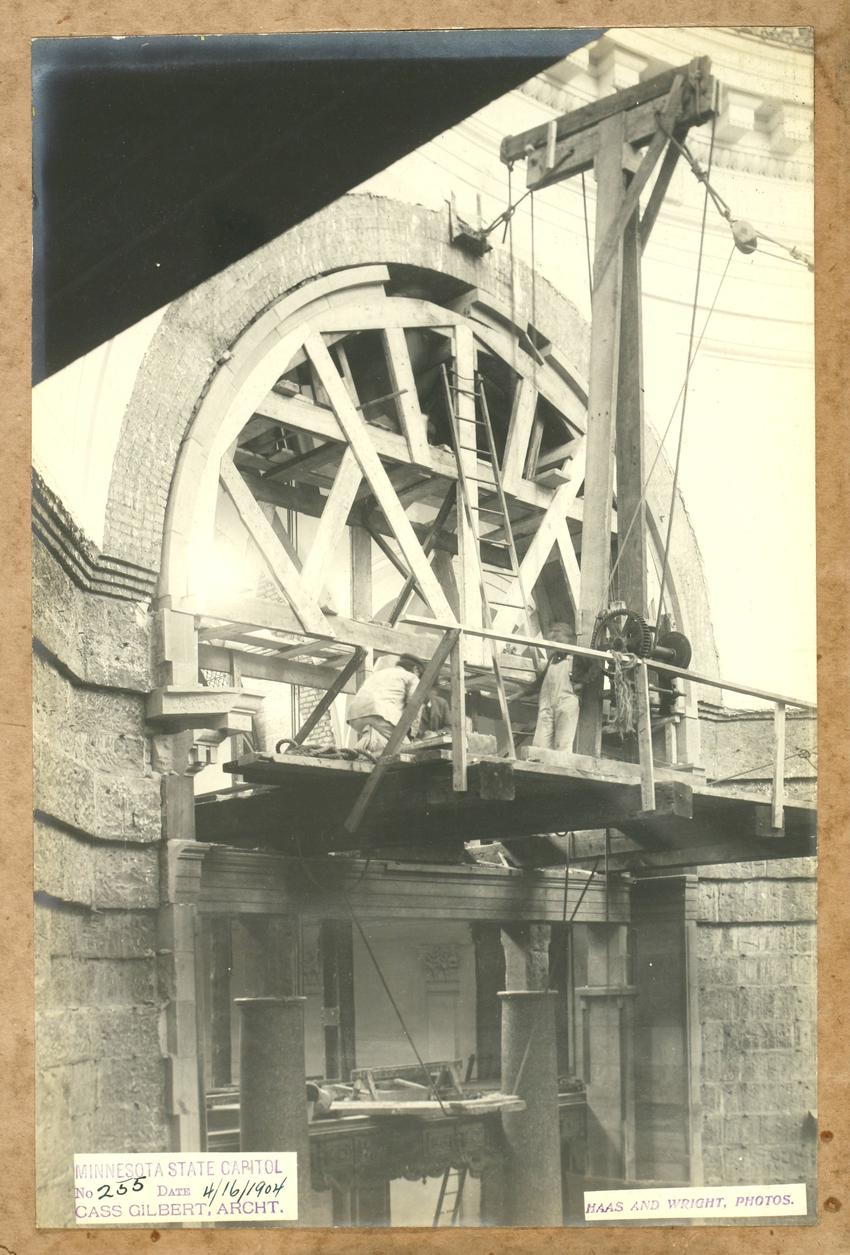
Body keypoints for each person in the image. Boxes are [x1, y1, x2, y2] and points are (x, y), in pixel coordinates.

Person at [346, 653, 424, 753]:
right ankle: (368, 743)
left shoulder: (380, 673)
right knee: (407, 751)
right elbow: (415, 704)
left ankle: (366, 744)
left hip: (354, 716)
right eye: (420, 675)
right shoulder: (412, 677)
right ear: (416, 669)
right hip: (378, 714)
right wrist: (412, 734)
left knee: (384, 745)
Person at [531, 623, 582, 751]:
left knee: (563, 744)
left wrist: (582, 683)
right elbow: (540, 682)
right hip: (547, 705)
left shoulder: (577, 655)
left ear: (568, 638)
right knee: (540, 745)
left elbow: (596, 667)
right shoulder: (553, 659)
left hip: (566, 703)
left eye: (558, 634)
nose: (554, 638)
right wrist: (518, 695)